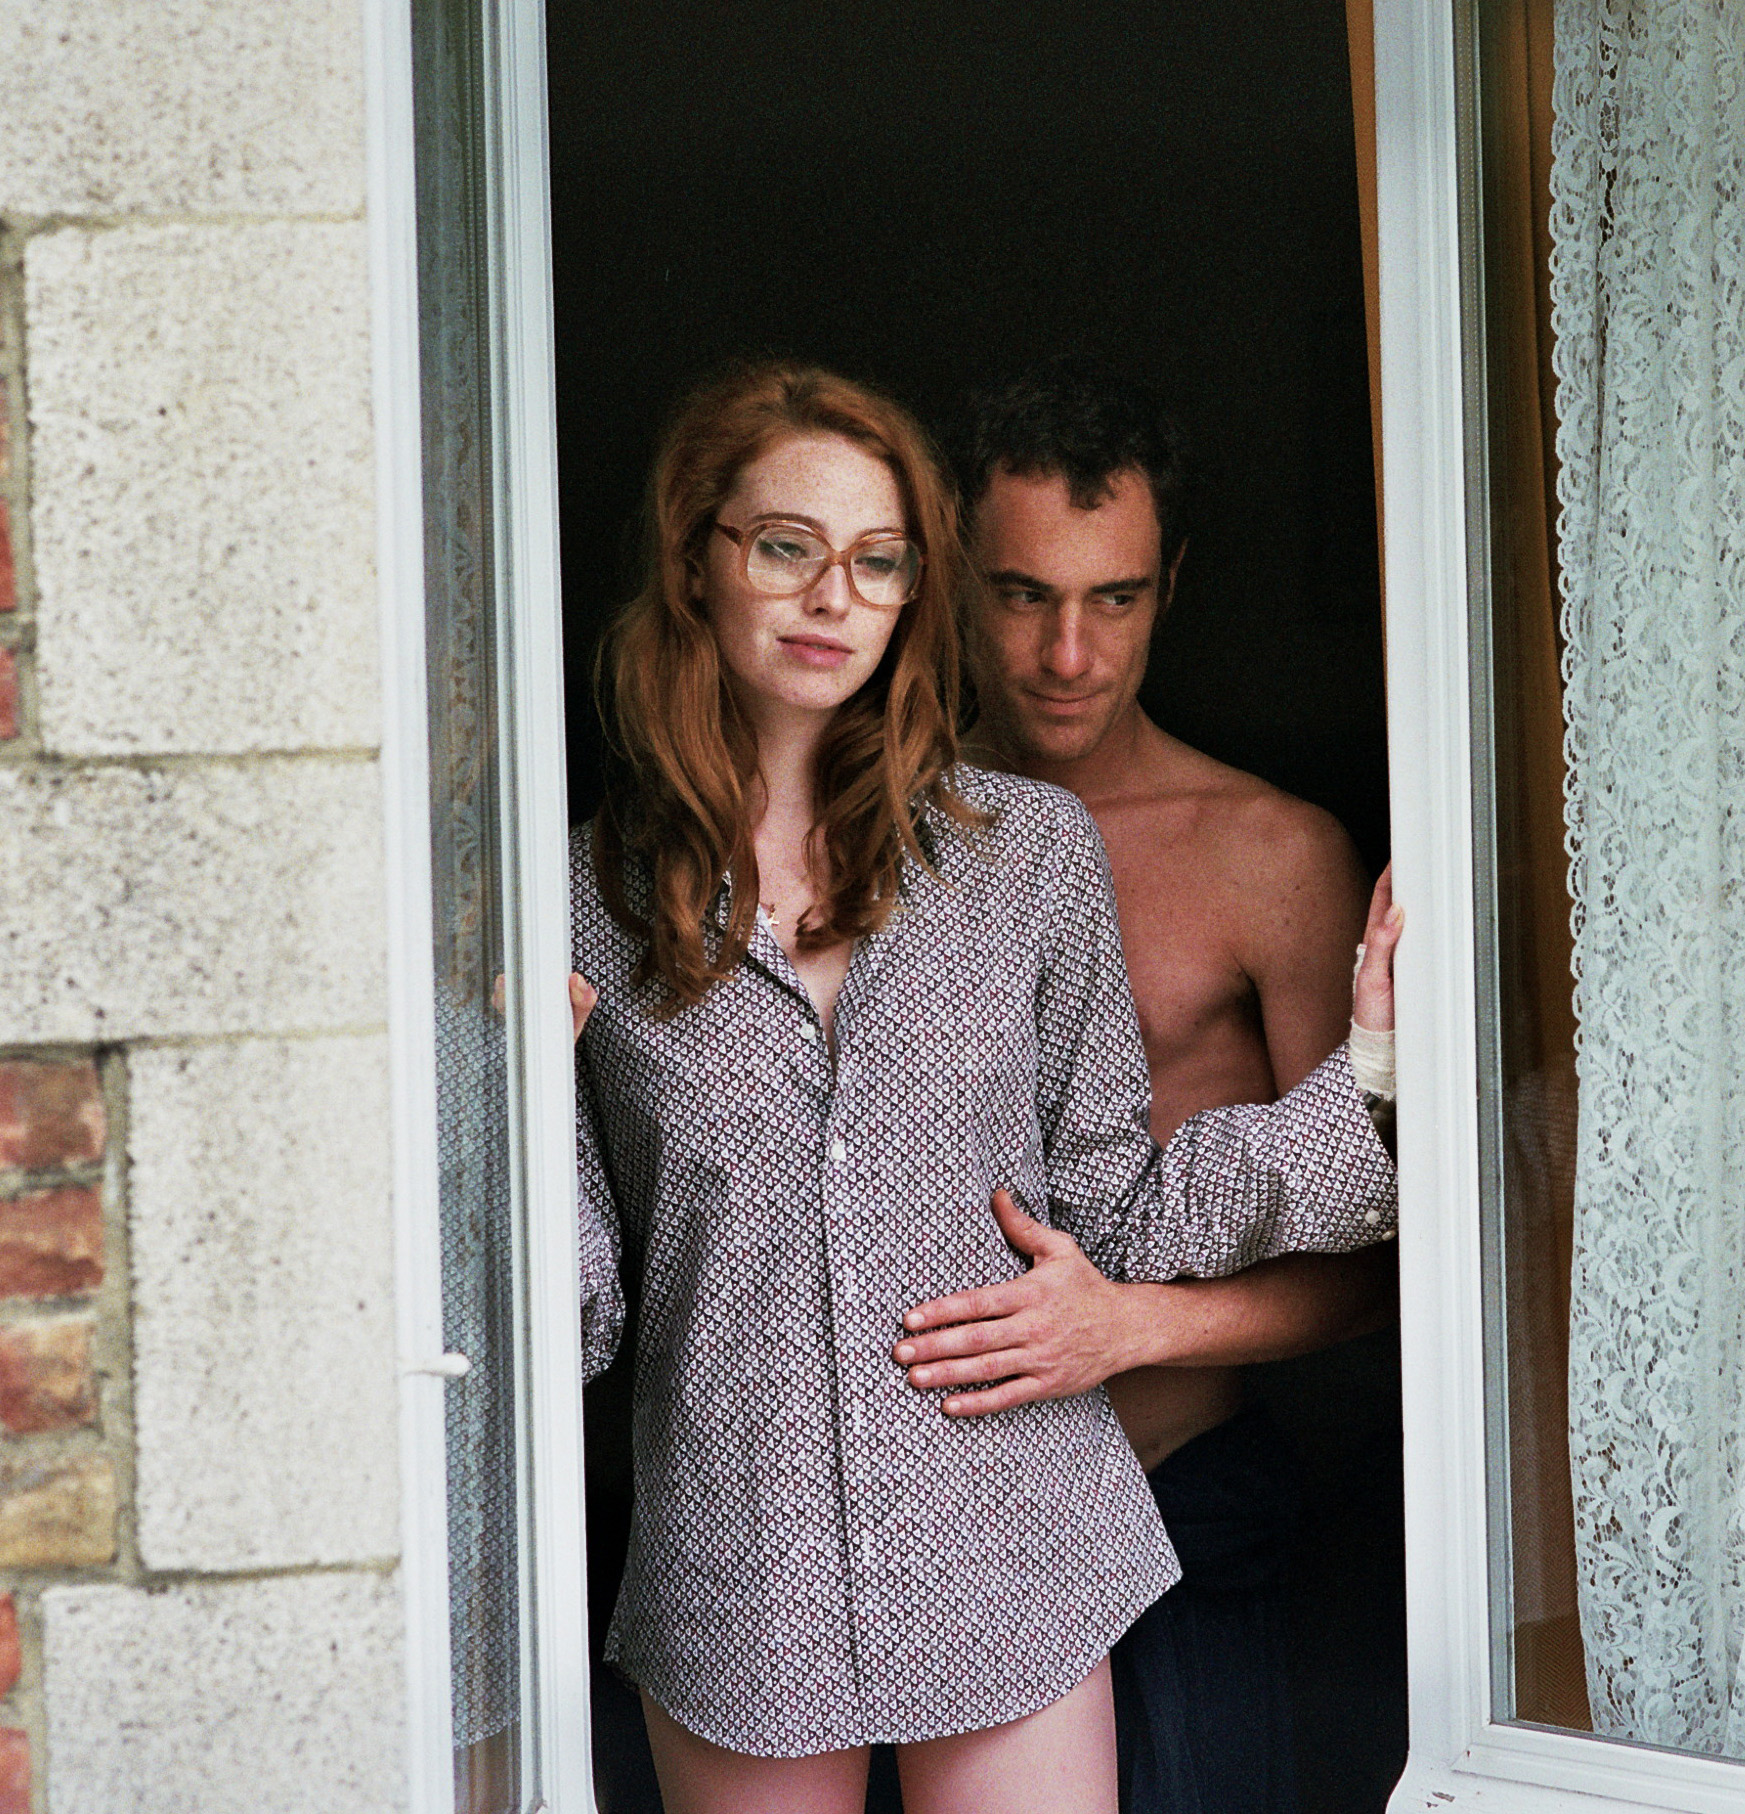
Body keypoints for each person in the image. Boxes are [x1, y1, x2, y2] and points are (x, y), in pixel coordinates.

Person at [569, 362, 1404, 1814]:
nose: (832, 595)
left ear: (911, 592)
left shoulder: (1022, 853)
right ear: (696, 559)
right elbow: (580, 1311)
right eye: (786, 546)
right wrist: (495, 1099)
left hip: (1018, 1546)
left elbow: (1116, 1212)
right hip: (737, 1569)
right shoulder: (583, 900)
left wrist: (1377, 1073)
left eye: (877, 560)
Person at [880, 363, 1393, 1814]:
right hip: (932, 1510)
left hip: (1180, 1499)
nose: (1068, 652)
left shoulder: (1269, 854)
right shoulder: (872, 841)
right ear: (950, 584)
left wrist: (1126, 1327)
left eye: (1113, 598)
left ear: (1172, 584)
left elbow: (1377, 1246)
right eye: (1021, 594)